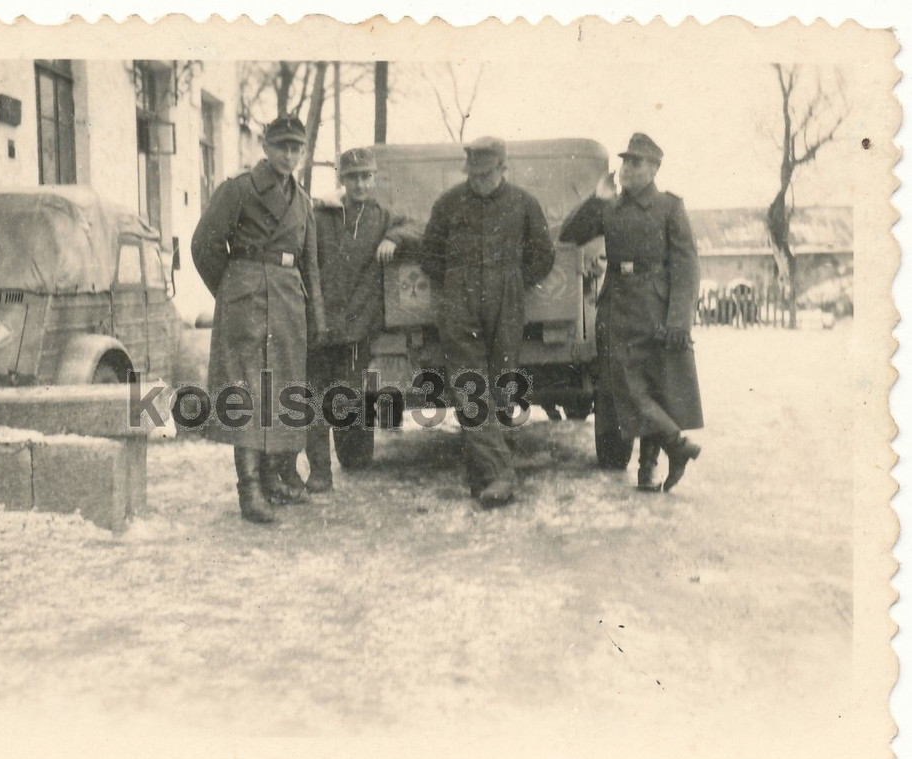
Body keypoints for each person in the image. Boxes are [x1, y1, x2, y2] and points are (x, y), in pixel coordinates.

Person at [190, 115, 327, 523]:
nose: (288, 155)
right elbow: (204, 245)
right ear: (265, 147)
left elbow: (311, 265)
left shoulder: (302, 201)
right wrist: (233, 290)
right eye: (281, 146)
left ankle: (275, 479)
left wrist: (316, 315)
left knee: (282, 390)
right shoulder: (239, 190)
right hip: (247, 296)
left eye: (295, 148)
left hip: (287, 299)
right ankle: (249, 490)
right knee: (247, 391)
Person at [559, 133, 703, 492]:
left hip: (654, 304)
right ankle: (676, 445)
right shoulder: (611, 206)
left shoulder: (670, 207)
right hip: (616, 303)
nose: (626, 169)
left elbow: (687, 268)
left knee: (649, 385)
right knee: (622, 381)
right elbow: (569, 234)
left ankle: (648, 468)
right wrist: (596, 199)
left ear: (654, 169)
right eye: (625, 161)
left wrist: (678, 321)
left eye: (636, 162)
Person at [420, 136, 556, 508]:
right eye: (473, 174)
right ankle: (499, 474)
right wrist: (454, 281)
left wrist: (513, 281)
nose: (478, 180)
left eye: (486, 174)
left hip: (507, 298)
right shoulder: (449, 204)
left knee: (500, 383)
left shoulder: (524, 204)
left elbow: (543, 254)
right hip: (458, 299)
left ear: (502, 169)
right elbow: (428, 253)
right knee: (468, 384)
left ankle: (485, 469)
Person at [296, 146, 421, 494]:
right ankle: (320, 471)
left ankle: (351, 457)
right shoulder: (321, 214)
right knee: (314, 398)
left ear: (375, 178)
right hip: (319, 324)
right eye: (353, 178)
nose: (361, 184)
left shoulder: (382, 216)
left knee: (346, 398)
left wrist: (393, 238)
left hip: (355, 329)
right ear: (342, 180)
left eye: (366, 177)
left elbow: (417, 228)